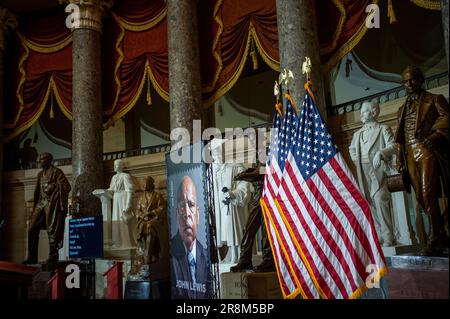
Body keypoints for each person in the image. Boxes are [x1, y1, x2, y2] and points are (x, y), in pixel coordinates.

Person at [394, 66, 449, 256]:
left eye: (412, 80)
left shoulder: (434, 99)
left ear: (420, 80)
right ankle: (441, 233)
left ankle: (434, 239)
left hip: (426, 150)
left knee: (428, 193)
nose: (409, 84)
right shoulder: (402, 108)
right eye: (405, 81)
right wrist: (399, 159)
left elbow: (447, 118)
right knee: (419, 198)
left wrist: (434, 137)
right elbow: (399, 138)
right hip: (409, 153)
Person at [349, 101, 396, 246]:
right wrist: (356, 159)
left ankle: (388, 236)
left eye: (365, 112)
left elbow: (393, 145)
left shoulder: (383, 129)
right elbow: (352, 149)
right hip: (362, 169)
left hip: (377, 168)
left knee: (380, 198)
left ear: (374, 112)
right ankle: (379, 235)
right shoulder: (357, 134)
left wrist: (381, 153)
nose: (362, 116)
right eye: (361, 113)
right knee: (368, 201)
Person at [23, 153, 71, 264]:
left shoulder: (57, 172)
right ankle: (32, 257)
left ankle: (53, 256)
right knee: (31, 228)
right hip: (41, 203)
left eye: (43, 159)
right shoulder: (40, 174)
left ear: (49, 160)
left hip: (51, 204)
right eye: (39, 159)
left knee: (52, 229)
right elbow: (37, 192)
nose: (40, 161)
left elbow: (67, 187)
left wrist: (54, 186)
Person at [211, 139, 250, 264]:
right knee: (225, 229)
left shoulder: (236, 166)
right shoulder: (214, 169)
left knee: (233, 227)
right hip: (220, 206)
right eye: (214, 153)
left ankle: (237, 255)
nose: (216, 155)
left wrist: (233, 194)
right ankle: (230, 253)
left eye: (218, 152)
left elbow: (245, 184)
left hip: (232, 203)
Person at [230, 166, 275, 273]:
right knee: (249, 228)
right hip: (258, 194)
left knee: (266, 230)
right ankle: (245, 260)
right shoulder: (260, 154)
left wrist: (246, 176)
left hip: (269, 193)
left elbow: (267, 170)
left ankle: (268, 261)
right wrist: (249, 171)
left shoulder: (271, 153)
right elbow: (259, 169)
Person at [170, 176, 210, 299]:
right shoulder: (170, 254)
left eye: (191, 205)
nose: (187, 213)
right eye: (182, 205)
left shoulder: (205, 255)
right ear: (177, 214)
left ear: (197, 215)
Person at [129, 176, 168, 278]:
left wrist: (151, 213)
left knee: (149, 226)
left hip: (155, 220)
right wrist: (142, 216)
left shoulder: (158, 196)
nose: (145, 185)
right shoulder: (141, 198)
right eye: (144, 184)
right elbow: (137, 211)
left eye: (147, 183)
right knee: (144, 226)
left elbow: (162, 207)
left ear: (151, 184)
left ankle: (147, 255)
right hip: (144, 220)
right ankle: (145, 254)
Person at [108, 159, 136, 248]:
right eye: (114, 165)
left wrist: (128, 204)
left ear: (121, 166)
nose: (115, 167)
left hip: (123, 198)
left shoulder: (125, 176)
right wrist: (102, 191)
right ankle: (117, 242)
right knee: (116, 220)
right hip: (116, 199)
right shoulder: (114, 177)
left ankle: (126, 242)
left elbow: (130, 191)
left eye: (116, 165)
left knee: (124, 220)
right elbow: (111, 189)